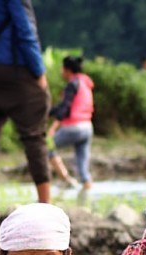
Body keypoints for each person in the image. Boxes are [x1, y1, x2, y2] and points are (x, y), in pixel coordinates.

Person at [0, 0, 52, 226]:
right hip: (14, 69)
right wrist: (39, 72)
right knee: (34, 136)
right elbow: (25, 31)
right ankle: (45, 205)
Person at [48, 56, 95, 193]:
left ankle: (65, 179)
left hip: (74, 128)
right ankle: (87, 190)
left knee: (46, 148)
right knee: (83, 167)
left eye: (62, 69)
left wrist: (48, 116)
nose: (61, 72)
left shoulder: (73, 84)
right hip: (87, 127)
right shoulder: (86, 83)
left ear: (67, 70)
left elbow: (65, 109)